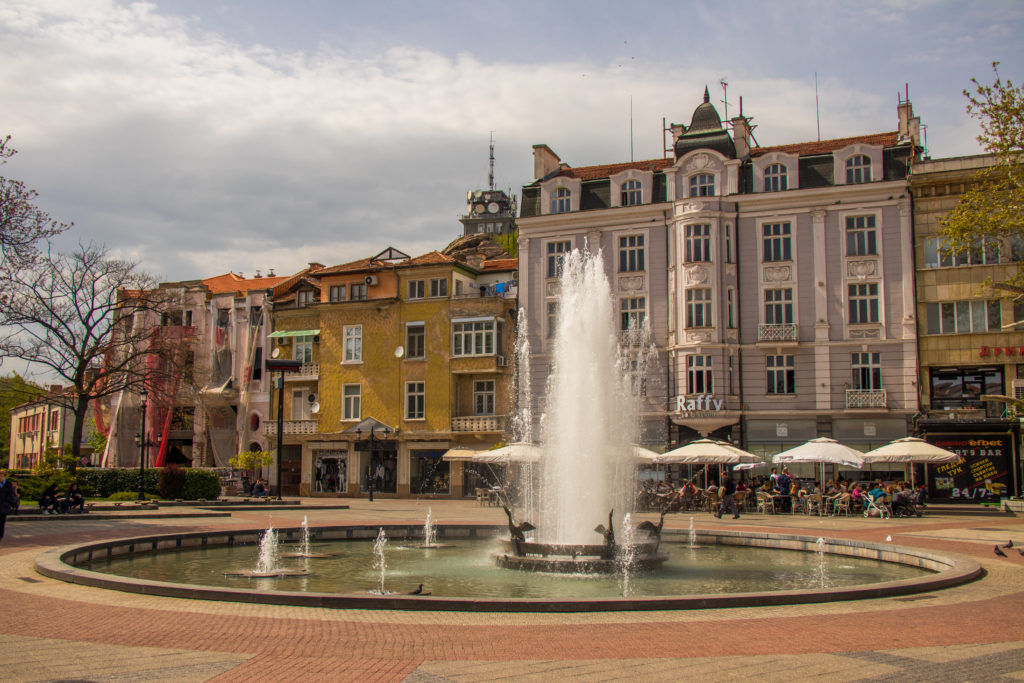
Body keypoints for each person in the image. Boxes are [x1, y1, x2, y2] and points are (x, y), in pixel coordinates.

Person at [0, 470, 18, 540]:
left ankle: (1, 535)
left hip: (4, 505)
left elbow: (11, 494)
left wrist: (9, 502)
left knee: (2, 521)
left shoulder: (8, 484)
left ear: (3, 476)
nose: (0, 478)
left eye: (1, 476)